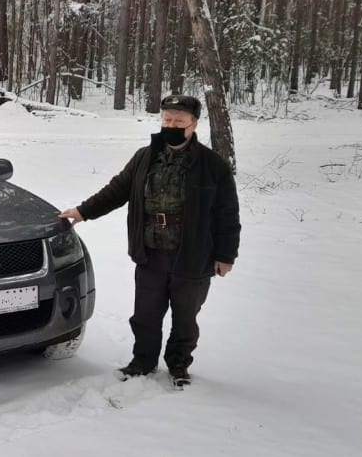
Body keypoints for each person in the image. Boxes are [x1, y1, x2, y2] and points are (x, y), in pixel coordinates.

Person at [58, 94, 240, 387]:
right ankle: (143, 361)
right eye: (167, 120)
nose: (171, 125)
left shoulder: (212, 165)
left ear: (193, 125)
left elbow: (228, 215)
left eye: (179, 121)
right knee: (145, 314)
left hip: (193, 255)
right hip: (150, 251)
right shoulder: (145, 156)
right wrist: (82, 211)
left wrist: (226, 256)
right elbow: (117, 190)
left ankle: (179, 365)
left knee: (185, 318)